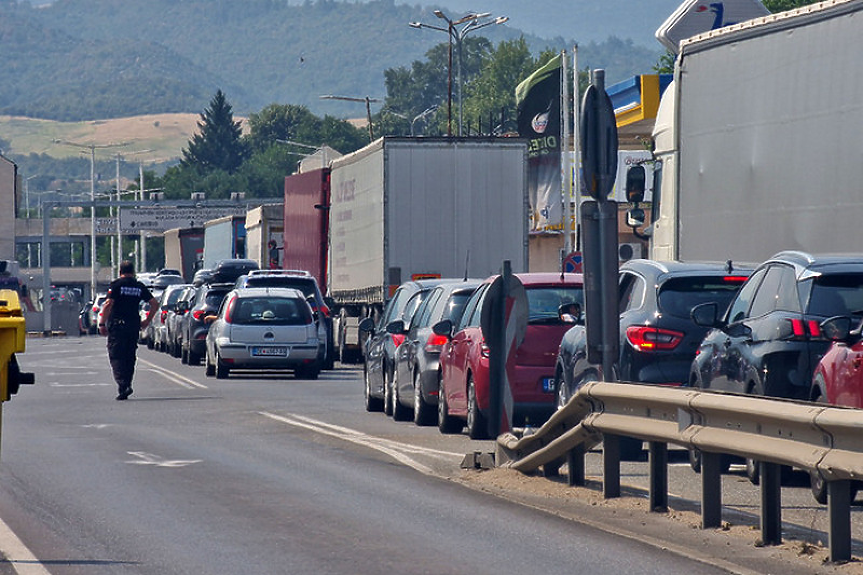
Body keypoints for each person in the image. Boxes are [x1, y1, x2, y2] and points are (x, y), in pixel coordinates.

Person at [99, 260, 160, 400]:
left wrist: (102, 323)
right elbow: (154, 304)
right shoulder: (139, 286)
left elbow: (109, 304)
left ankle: (123, 385)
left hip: (118, 326)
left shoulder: (116, 285)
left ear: (120, 272)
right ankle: (127, 383)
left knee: (116, 355)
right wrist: (147, 321)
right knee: (129, 356)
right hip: (133, 325)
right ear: (133, 272)